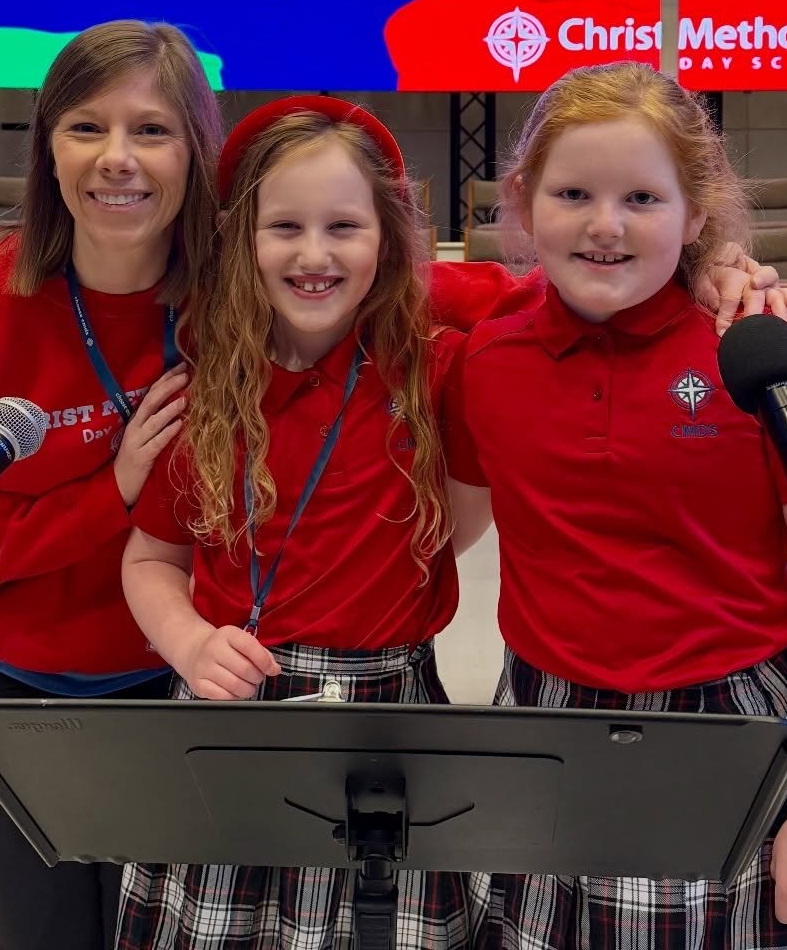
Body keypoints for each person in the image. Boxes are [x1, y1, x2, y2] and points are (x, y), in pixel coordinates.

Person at [444, 62, 787, 950]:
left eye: (643, 198)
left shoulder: (764, 356)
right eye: (574, 193)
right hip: (548, 727)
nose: (606, 226)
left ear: (696, 213)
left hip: (736, 734)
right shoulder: (486, 363)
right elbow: (440, 532)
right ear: (524, 202)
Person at [0, 21, 223, 950]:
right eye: (86, 128)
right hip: (15, 695)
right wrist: (112, 489)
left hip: (185, 686)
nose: (119, 159)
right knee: (46, 932)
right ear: (47, 149)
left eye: (152, 130)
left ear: (197, 149)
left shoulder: (237, 300)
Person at [117, 95, 479, 949]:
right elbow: (150, 559)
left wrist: (721, 260)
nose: (314, 255)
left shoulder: (439, 371)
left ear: (387, 238)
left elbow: (457, 527)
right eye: (284, 227)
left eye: (343, 226)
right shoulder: (205, 387)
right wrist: (191, 644)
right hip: (230, 717)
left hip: (389, 718)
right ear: (243, 241)